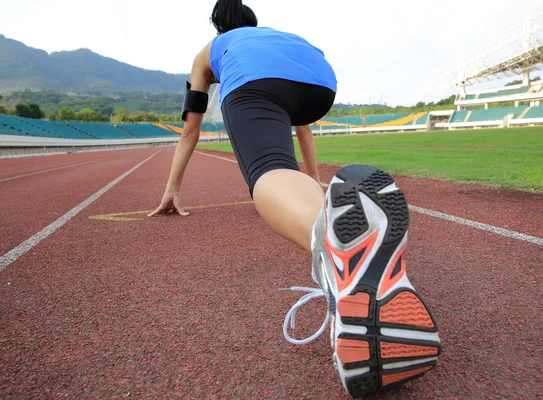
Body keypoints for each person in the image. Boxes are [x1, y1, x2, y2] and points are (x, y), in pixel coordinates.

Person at [149, 0, 441, 397]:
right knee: (290, 169)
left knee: (268, 168)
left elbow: (190, 131)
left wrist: (172, 188)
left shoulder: (210, 51)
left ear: (218, 28)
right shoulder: (277, 39)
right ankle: (335, 224)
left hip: (255, 84)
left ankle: (333, 252)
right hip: (320, 82)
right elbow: (303, 128)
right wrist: (318, 183)